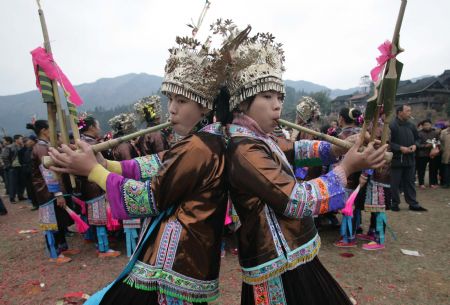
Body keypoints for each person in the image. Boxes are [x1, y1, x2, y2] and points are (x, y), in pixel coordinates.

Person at [49, 23, 240, 304]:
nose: (172, 108)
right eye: (170, 99)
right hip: (182, 259)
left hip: (177, 261)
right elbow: (160, 163)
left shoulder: (200, 146)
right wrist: (107, 165)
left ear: (205, 106)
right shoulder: (203, 141)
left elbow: (149, 198)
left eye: (182, 100)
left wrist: (93, 171)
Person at [223, 24, 387, 305]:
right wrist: (345, 168)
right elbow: (296, 200)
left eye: (279, 97)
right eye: (267, 96)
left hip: (291, 253)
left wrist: (338, 147)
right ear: (242, 104)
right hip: (272, 261)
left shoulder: (258, 137)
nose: (277, 106)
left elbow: (294, 149)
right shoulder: (243, 148)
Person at [27, 120, 78, 263]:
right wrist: (58, 193)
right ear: (44, 130)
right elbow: (48, 172)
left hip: (51, 190)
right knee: (51, 222)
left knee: (60, 220)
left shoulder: (45, 146)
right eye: (51, 129)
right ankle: (54, 253)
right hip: (47, 191)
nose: (53, 132)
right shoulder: (41, 148)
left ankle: (63, 248)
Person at [77, 114, 121, 258]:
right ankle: (103, 248)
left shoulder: (82, 142)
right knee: (99, 218)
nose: (99, 128)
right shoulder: (89, 145)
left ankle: (98, 243)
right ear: (91, 127)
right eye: (97, 125)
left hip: (88, 185)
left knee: (96, 217)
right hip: (94, 185)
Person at [334, 107, 363, 248]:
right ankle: (356, 229)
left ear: (341, 118)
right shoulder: (363, 134)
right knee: (355, 204)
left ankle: (347, 238)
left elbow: (337, 157)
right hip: (361, 174)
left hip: (347, 174)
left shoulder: (343, 135)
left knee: (347, 206)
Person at [389, 105, 427, 212]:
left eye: (410, 111)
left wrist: (415, 145)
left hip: (410, 159)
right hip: (396, 159)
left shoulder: (411, 125)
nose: (410, 113)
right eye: (407, 111)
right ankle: (394, 203)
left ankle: (413, 204)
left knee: (410, 182)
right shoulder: (392, 125)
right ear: (399, 112)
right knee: (394, 184)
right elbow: (388, 142)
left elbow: (418, 139)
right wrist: (400, 148)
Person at [417, 119, 440, 189]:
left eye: (428, 124)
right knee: (421, 169)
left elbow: (438, 142)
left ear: (431, 125)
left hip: (433, 153)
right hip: (422, 154)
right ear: (422, 126)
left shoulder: (435, 133)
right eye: (425, 125)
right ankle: (421, 183)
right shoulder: (419, 133)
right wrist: (425, 146)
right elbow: (417, 144)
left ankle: (432, 183)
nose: (427, 126)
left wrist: (435, 145)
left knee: (433, 169)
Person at [440, 121, 450, 188]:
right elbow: (441, 143)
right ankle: (446, 183)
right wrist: (443, 150)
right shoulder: (444, 132)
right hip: (446, 153)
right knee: (446, 168)